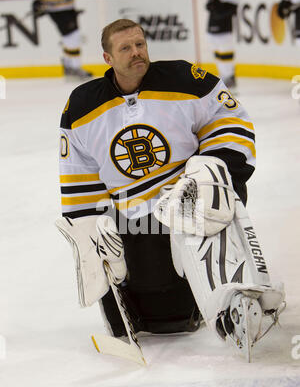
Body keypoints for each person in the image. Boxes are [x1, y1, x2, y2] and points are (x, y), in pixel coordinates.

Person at [55, 19, 285, 357]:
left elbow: (230, 121)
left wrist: (217, 172)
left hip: (191, 200)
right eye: (126, 48)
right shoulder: (81, 107)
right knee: (171, 319)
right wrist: (89, 226)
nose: (137, 53)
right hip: (137, 218)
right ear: (108, 58)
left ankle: (238, 296)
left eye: (140, 44)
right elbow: (79, 175)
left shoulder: (182, 79)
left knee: (211, 191)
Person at [32, 0, 92, 80]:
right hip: (57, 8)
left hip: (67, 6)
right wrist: (38, 0)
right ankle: (74, 67)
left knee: (69, 37)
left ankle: (69, 66)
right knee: (73, 37)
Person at [206, 0, 240, 89]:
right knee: (217, 53)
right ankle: (225, 78)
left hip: (224, 29)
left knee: (225, 54)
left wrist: (214, 1)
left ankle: (229, 78)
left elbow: (228, 10)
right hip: (212, 28)